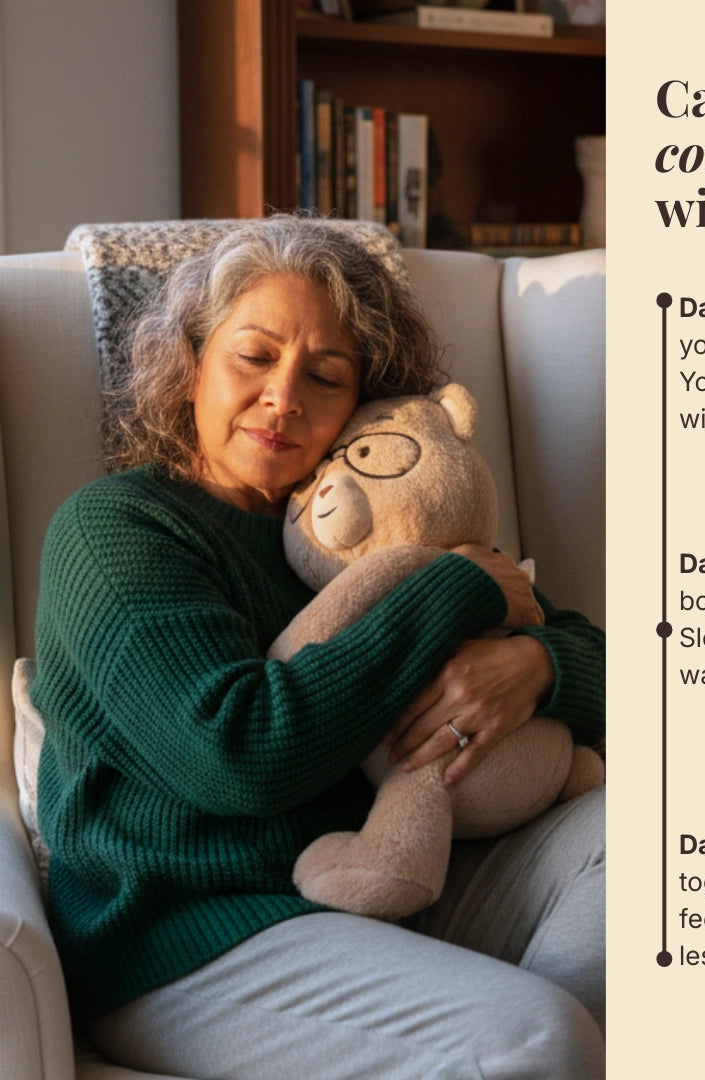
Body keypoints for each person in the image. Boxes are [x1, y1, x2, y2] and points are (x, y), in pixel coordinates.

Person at [31, 215, 605, 1079]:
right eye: (254, 357)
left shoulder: (363, 518)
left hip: (406, 888)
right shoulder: (118, 528)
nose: (284, 397)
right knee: (535, 1038)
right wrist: (452, 589)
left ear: (363, 404)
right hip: (198, 936)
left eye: (326, 376)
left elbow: (612, 668)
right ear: (190, 364)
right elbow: (240, 754)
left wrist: (537, 667)